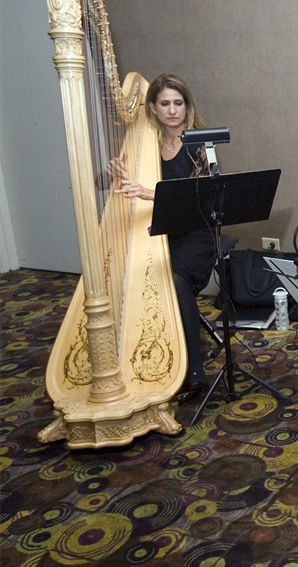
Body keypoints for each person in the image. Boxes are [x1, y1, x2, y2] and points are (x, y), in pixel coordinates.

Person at [111, 73, 216, 403]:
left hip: (195, 236)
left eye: (178, 103)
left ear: (187, 106)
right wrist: (119, 176)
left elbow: (199, 199)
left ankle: (194, 371)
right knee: (129, 276)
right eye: (165, 104)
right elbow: (118, 187)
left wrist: (148, 192)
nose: (173, 110)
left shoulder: (200, 145)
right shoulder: (147, 147)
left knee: (174, 281)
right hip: (159, 235)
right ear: (153, 108)